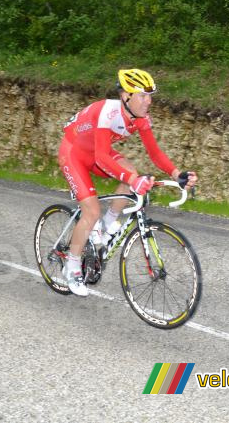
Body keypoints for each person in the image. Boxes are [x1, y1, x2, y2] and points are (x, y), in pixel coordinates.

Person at [57, 68, 197, 296]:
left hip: (96, 152)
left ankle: (107, 224)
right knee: (91, 211)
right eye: (143, 95)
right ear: (125, 96)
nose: (148, 101)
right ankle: (71, 267)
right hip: (73, 153)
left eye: (150, 95)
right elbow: (102, 158)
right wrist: (133, 180)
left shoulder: (141, 118)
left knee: (132, 172)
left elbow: (154, 153)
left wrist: (177, 174)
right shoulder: (108, 112)